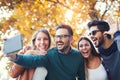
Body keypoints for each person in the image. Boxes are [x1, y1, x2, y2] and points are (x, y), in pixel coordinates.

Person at [6, 24, 85, 80]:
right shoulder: (48, 55)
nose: (59, 40)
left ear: (71, 39)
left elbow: (81, 77)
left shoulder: (78, 56)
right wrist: (14, 56)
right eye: (57, 37)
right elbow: (30, 60)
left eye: (63, 36)